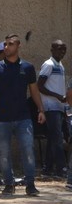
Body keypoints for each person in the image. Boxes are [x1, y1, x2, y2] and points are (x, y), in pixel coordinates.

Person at [0, 34, 46, 196]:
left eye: (10, 44)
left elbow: (34, 91)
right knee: (4, 153)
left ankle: (30, 184)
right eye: (5, 44)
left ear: (18, 46)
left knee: (28, 150)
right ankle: (8, 184)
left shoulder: (27, 67)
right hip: (2, 119)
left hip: (23, 118)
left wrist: (41, 110)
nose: (6, 47)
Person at [37, 40, 67, 178]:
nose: (62, 52)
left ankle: (47, 169)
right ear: (52, 50)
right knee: (57, 138)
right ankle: (61, 169)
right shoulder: (48, 65)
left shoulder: (60, 65)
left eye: (64, 50)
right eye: (59, 49)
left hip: (60, 106)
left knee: (53, 138)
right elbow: (40, 86)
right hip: (51, 106)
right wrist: (57, 96)